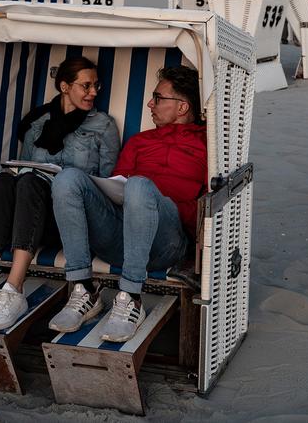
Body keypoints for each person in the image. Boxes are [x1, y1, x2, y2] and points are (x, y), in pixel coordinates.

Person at [0, 56, 121, 332]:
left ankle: (14, 288)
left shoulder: (102, 126)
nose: (94, 92)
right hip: (33, 218)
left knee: (31, 183)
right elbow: (24, 169)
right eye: (86, 85)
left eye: (97, 86)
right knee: (4, 183)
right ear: (65, 86)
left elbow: (105, 182)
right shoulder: (37, 123)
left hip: (72, 218)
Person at [48, 66, 206, 342]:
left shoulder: (206, 145)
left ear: (182, 107)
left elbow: (207, 207)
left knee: (139, 184)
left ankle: (131, 298)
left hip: (166, 242)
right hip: (118, 238)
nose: (150, 104)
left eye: (158, 98)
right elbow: (115, 186)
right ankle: (83, 289)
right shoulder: (139, 142)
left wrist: (150, 204)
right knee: (68, 179)